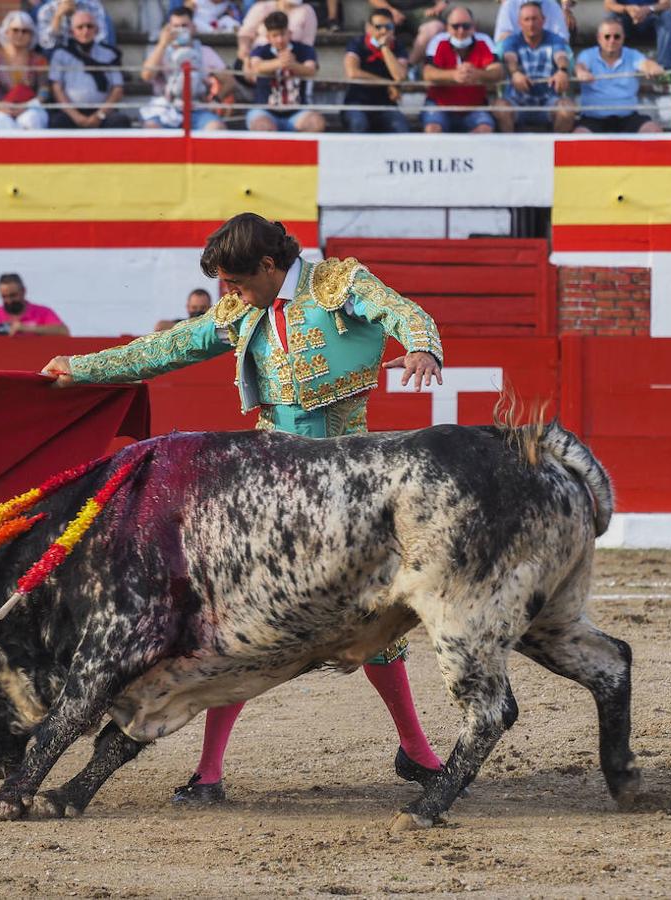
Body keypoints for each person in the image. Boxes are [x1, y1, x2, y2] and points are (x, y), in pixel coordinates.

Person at [39, 213, 446, 806]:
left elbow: (407, 314)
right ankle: (208, 772)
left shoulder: (338, 284)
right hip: (267, 485)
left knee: (375, 613)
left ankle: (417, 750)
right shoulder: (239, 311)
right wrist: (80, 368)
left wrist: (420, 348)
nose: (229, 294)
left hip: (344, 482)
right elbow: (165, 349)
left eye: (236, 282)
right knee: (233, 621)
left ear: (268, 266)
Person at [140, 5, 230, 130]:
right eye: (176, 26)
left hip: (198, 109)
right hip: (166, 109)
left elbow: (229, 81)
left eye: (184, 25)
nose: (180, 30)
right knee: (151, 128)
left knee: (216, 127)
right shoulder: (161, 51)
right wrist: (162, 44)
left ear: (193, 27)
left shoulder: (206, 52)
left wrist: (216, 99)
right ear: (169, 28)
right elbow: (146, 75)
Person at [573, 16, 664, 133]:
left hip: (627, 118)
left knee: (653, 130)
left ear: (623, 38)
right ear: (599, 38)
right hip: (593, 119)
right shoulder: (588, 55)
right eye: (607, 37)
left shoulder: (632, 55)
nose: (612, 40)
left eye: (617, 36)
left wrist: (653, 67)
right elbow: (580, 66)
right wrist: (581, 72)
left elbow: (646, 63)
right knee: (579, 135)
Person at [495, 0, 575, 132]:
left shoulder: (554, 39)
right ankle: (508, 150)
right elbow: (510, 57)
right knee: (500, 107)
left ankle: (554, 149)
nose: (531, 24)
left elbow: (560, 55)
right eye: (526, 19)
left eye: (535, 19)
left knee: (567, 109)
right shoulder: (512, 40)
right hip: (517, 101)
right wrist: (515, 73)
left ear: (543, 20)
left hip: (548, 100)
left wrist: (562, 70)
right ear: (519, 23)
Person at [421, 5, 503, 133]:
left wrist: (478, 74)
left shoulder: (484, 40)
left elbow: (497, 72)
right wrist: (453, 75)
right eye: (455, 26)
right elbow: (428, 73)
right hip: (440, 105)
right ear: (447, 27)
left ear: (473, 26)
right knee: (432, 129)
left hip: (474, 107)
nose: (461, 31)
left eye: (466, 26)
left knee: (485, 129)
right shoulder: (438, 41)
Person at [47, 10, 130, 129]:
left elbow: (118, 89)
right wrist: (76, 116)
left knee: (120, 121)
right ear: (72, 32)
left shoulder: (110, 54)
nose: (85, 31)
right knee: (56, 122)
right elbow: (57, 88)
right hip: (71, 113)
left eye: (89, 26)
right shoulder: (61, 54)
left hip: (102, 112)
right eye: (80, 27)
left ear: (96, 30)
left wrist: (99, 115)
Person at [246, 9, 323, 132]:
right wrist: (280, 63)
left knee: (315, 123)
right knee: (262, 126)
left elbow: (311, 70)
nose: (280, 40)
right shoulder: (260, 51)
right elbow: (255, 68)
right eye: (275, 36)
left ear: (289, 33)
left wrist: (293, 65)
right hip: (265, 111)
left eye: (282, 34)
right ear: (268, 37)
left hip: (298, 112)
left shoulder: (305, 50)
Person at [342, 7, 410, 133]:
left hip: (386, 106)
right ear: (369, 28)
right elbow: (352, 72)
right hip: (357, 104)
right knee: (358, 123)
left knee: (401, 127)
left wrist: (384, 48)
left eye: (388, 27)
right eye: (378, 27)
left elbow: (400, 76)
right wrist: (387, 83)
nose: (384, 31)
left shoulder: (399, 47)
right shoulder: (357, 43)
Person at [0, 10, 49, 130]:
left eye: (25, 31)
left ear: (31, 35)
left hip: (31, 109)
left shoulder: (39, 61)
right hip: (1, 109)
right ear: (6, 32)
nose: (20, 34)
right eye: (15, 30)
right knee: (1, 120)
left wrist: (26, 106)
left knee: (30, 119)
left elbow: (44, 91)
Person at [0, 273, 69, 338]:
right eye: (4, 296)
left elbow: (63, 331)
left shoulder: (43, 312)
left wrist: (27, 329)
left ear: (23, 291)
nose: (9, 300)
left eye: (13, 295)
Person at [602, 0, 671, 71]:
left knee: (667, 16)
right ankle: (611, 67)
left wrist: (649, 9)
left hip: (651, 21)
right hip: (626, 20)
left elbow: (667, 4)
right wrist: (627, 9)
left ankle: (664, 70)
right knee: (610, 17)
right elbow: (608, 4)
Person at [237, 0, 316, 59]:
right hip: (258, 58)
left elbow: (307, 45)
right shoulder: (262, 7)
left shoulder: (307, 11)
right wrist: (244, 51)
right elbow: (245, 33)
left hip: (292, 60)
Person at [35, 0, 114, 52]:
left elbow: (102, 39)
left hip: (88, 53)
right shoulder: (45, 10)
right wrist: (57, 17)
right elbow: (46, 44)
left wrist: (79, 17)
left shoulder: (94, 7)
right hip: (59, 58)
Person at [494, 0, 569, 43]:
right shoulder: (509, 5)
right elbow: (501, 39)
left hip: (548, 51)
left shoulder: (553, 5)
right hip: (516, 52)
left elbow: (563, 38)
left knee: (565, 51)